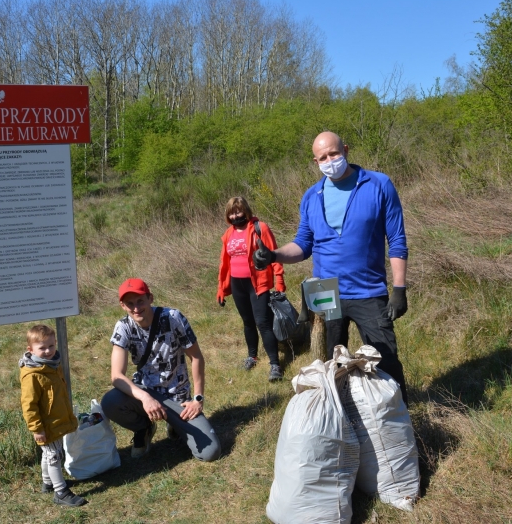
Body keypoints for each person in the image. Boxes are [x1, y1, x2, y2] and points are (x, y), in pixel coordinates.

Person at [253, 131, 411, 405]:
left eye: (334, 154)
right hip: (327, 293)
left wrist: (399, 288)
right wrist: (274, 255)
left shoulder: (378, 184)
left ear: (346, 150)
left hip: (368, 292)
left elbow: (396, 239)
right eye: (322, 157)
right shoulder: (312, 197)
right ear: (316, 162)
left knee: (385, 361)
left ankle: (398, 417)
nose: (329, 160)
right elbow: (303, 245)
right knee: (331, 364)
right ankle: (343, 416)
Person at [101, 278, 221, 462]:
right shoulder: (123, 327)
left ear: (150, 298)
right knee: (110, 402)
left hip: (177, 397)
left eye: (140, 301)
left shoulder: (173, 318)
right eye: (130, 304)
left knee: (210, 452)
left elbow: (196, 357)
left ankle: (175, 425)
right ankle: (143, 428)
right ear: (122, 306)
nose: (136, 308)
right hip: (145, 392)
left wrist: (198, 399)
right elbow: (116, 376)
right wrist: (145, 397)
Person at [217, 196, 286, 381]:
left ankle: (275, 365)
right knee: (247, 322)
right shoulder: (228, 234)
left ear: (245, 210)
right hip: (237, 284)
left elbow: (274, 255)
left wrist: (279, 280)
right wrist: (221, 288)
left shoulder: (259, 228)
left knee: (262, 322)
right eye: (231, 212)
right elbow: (224, 263)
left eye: (238, 211)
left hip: (258, 284)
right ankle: (252, 356)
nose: (235, 215)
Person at [19, 324, 87, 507]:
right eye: (42, 348)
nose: (48, 351)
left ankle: (47, 483)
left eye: (51, 345)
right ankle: (61, 492)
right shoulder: (32, 375)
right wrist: (37, 428)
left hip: (56, 420)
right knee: (54, 456)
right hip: (46, 425)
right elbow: (29, 405)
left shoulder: (51, 365)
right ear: (30, 349)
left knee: (48, 454)